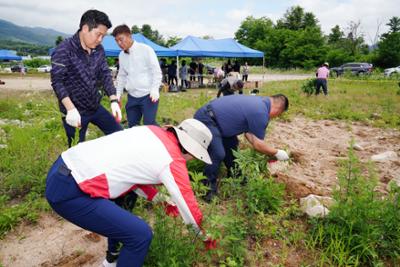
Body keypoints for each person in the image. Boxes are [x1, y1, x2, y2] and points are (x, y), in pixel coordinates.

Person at [45, 119, 217, 267]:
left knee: (126, 208)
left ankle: (112, 260)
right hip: (72, 191)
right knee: (140, 235)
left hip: (63, 168)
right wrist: (204, 237)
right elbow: (187, 205)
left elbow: (132, 173)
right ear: (191, 150)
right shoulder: (172, 160)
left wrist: (159, 199)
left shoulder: (152, 131)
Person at [194, 94, 290, 202]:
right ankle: (207, 189)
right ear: (278, 109)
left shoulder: (259, 103)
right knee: (218, 153)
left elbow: (249, 135)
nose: (275, 117)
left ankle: (236, 176)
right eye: (278, 115)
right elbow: (258, 144)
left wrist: (269, 151)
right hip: (207, 119)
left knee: (232, 145)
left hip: (218, 121)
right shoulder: (261, 112)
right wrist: (276, 152)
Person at [50, 9, 122, 147]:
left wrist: (113, 99)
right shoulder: (64, 50)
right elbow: (57, 81)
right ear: (85, 28)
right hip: (75, 111)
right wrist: (70, 109)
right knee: (76, 149)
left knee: (119, 134)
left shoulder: (98, 49)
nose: (100, 40)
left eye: (103, 36)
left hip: (94, 106)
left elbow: (104, 73)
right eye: (98, 34)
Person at [113, 24, 162, 127]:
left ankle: (165, 140)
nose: (119, 43)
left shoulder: (146, 50)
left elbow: (156, 71)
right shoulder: (121, 55)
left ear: (129, 36)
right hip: (132, 97)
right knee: (132, 125)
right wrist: (118, 94)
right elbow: (121, 76)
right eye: (116, 41)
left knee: (149, 124)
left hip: (148, 95)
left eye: (121, 39)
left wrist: (155, 89)